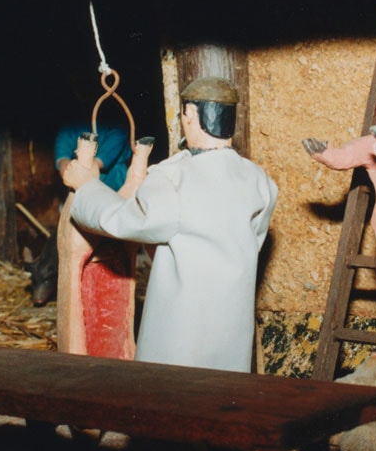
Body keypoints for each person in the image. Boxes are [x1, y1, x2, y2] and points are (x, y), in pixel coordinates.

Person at [60, 77, 278, 372]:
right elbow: (252, 238)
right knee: (223, 394)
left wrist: (86, 187)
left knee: (172, 394)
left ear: (189, 115)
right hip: (231, 323)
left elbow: (123, 220)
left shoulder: (174, 178)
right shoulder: (259, 180)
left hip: (182, 330)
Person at [27, 121, 133, 306]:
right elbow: (63, 151)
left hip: (112, 192)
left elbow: (100, 160)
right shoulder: (71, 127)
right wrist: (64, 164)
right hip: (78, 195)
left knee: (110, 251)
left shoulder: (116, 129)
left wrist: (83, 169)